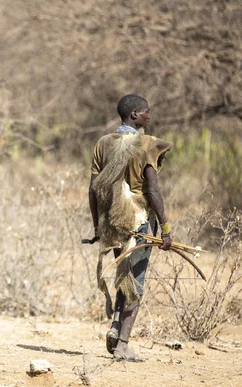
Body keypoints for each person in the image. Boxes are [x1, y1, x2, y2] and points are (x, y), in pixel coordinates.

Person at [88, 94, 172, 361]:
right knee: (134, 281)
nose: (149, 116)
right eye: (146, 112)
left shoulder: (103, 143)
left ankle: (115, 327)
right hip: (138, 222)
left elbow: (92, 191)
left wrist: (97, 227)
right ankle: (122, 343)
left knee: (124, 276)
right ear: (134, 114)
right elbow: (153, 190)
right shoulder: (147, 144)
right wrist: (166, 227)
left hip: (113, 222)